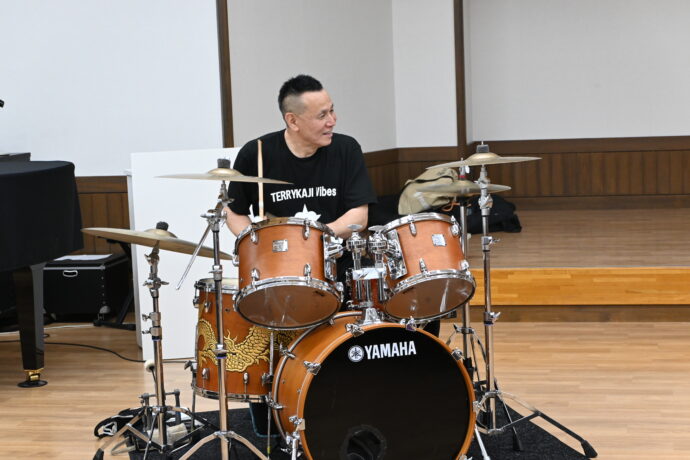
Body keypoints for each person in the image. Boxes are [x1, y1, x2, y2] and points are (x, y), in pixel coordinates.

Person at [226, 74, 377, 281]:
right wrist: (258, 243)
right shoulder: (256, 153)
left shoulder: (346, 149)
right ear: (293, 120)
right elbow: (234, 212)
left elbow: (359, 217)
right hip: (279, 266)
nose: (332, 121)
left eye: (332, 110)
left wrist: (311, 239)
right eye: (322, 115)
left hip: (338, 263)